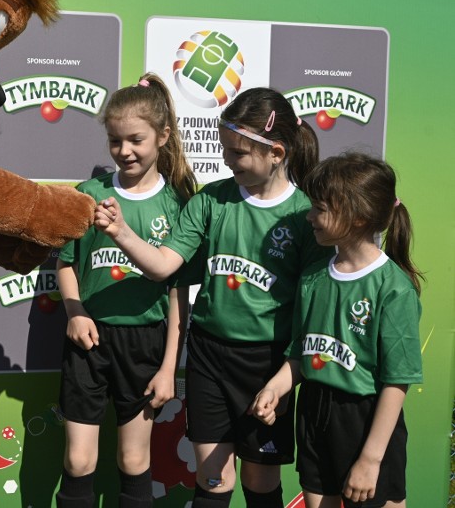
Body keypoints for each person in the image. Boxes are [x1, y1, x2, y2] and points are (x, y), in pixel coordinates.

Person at [95, 87, 334, 507]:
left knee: (260, 483)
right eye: (224, 149)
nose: (227, 159)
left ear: (276, 153)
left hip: (268, 363)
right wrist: (121, 233)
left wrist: (287, 375)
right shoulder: (211, 200)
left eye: (238, 153)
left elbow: (315, 309)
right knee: (212, 476)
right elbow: (163, 266)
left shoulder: (305, 215)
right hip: (207, 355)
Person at [55, 73, 197, 507]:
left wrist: (169, 366)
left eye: (135, 139)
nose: (125, 151)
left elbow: (178, 297)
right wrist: (75, 313)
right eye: (115, 141)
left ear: (163, 136)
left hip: (146, 344)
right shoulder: (89, 194)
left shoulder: (178, 203)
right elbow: (65, 264)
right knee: (79, 461)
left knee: (134, 459)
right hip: (90, 341)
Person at [250, 152, 423, 508]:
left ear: (357, 217)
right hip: (314, 413)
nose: (309, 215)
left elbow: (397, 381)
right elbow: (301, 352)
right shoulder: (313, 276)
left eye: (320, 208)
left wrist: (371, 459)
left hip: (367, 421)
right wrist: (275, 388)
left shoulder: (393, 289)